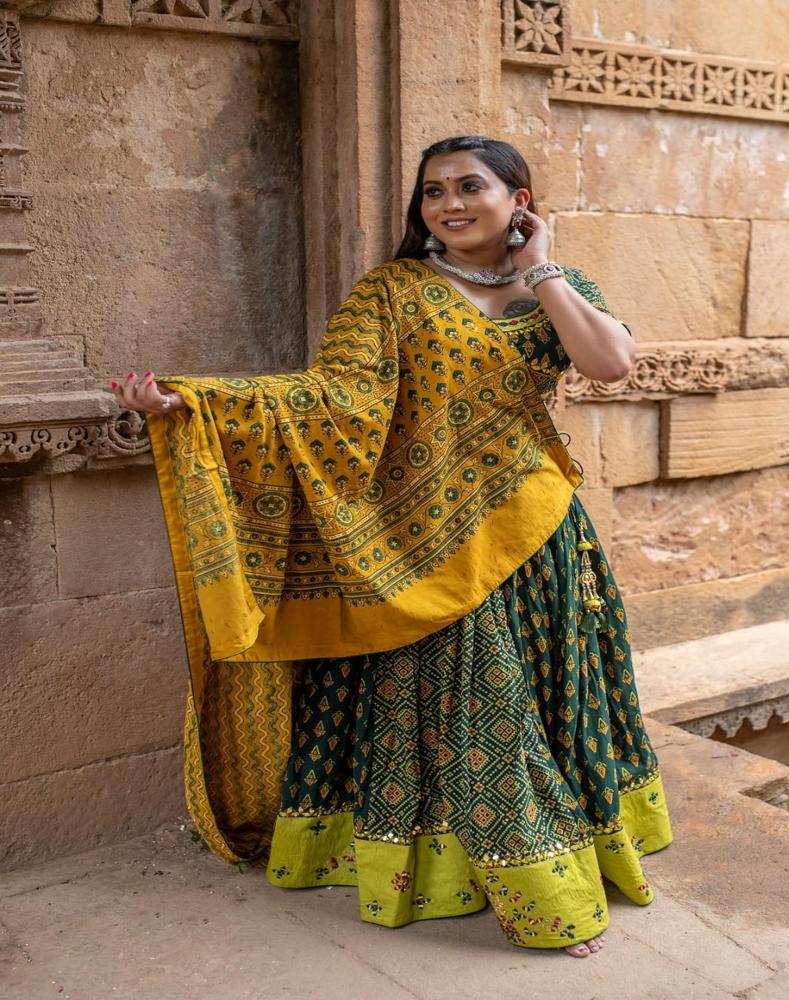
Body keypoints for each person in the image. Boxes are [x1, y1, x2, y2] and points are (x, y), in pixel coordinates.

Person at [111, 135, 673, 958]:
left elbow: (610, 363)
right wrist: (192, 405)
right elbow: (326, 399)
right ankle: (538, 891)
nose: (448, 203)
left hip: (534, 532)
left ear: (518, 199)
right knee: (482, 710)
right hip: (423, 543)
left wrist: (543, 267)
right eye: (432, 191)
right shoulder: (393, 292)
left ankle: (555, 854)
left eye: (470, 186)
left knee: (545, 702)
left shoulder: (557, 288)